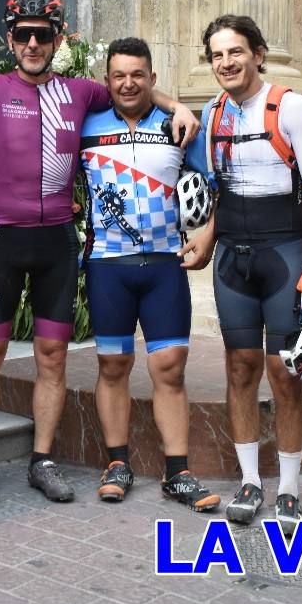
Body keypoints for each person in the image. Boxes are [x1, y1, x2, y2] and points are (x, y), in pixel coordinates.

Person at [0, 0, 201, 509]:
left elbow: (138, 92)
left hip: (59, 239)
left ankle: (42, 459)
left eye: (44, 34)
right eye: (23, 34)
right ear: (9, 38)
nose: (33, 43)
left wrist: (179, 106)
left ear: (58, 40)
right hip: (1, 237)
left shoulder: (85, 94)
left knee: (53, 356)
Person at [180, 14, 302, 536]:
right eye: (217, 55)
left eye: (235, 52)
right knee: (239, 368)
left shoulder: (291, 106)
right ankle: (250, 481)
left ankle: (288, 487)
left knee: (286, 373)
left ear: (258, 54)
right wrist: (206, 235)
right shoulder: (214, 112)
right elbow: (219, 191)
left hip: (285, 255)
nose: (226, 62)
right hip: (232, 261)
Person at [80, 37, 220, 512]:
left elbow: (213, 188)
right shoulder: (86, 123)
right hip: (108, 267)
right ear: (107, 81)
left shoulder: (180, 126)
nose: (128, 83)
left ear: (152, 79)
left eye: (138, 74)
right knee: (113, 366)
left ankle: (177, 473)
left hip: (164, 266)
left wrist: (209, 235)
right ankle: (117, 463)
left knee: (169, 369)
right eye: (118, 75)